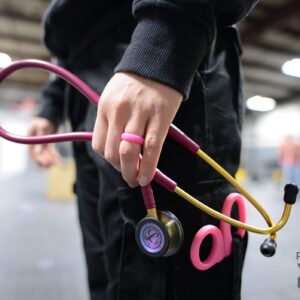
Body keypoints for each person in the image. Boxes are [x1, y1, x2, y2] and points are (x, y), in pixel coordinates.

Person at [28, 0, 257, 299]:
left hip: (155, 52)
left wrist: (165, 40)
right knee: (108, 274)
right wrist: (53, 102)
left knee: (164, 282)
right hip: (82, 77)